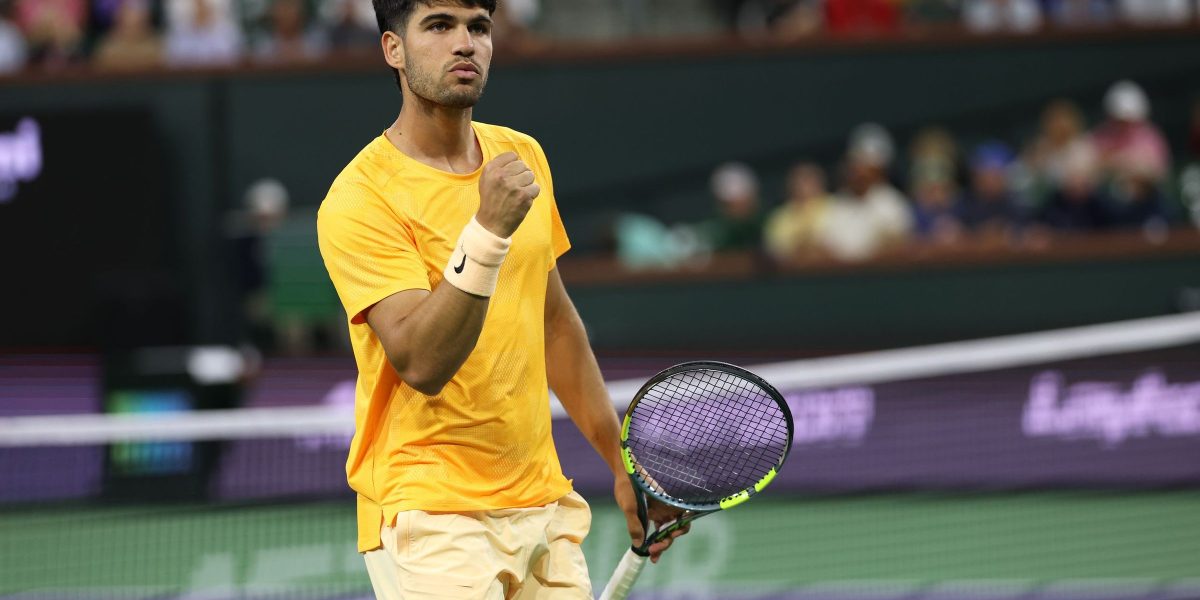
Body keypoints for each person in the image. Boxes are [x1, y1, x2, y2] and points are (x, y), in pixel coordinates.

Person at [315, 2, 686, 598]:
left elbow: (555, 321)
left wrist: (622, 467)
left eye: (478, 27)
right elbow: (421, 362)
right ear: (393, 49)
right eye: (439, 26)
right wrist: (487, 232)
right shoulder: (360, 199)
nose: (465, 43)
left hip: (542, 503)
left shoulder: (523, 158)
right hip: (431, 513)